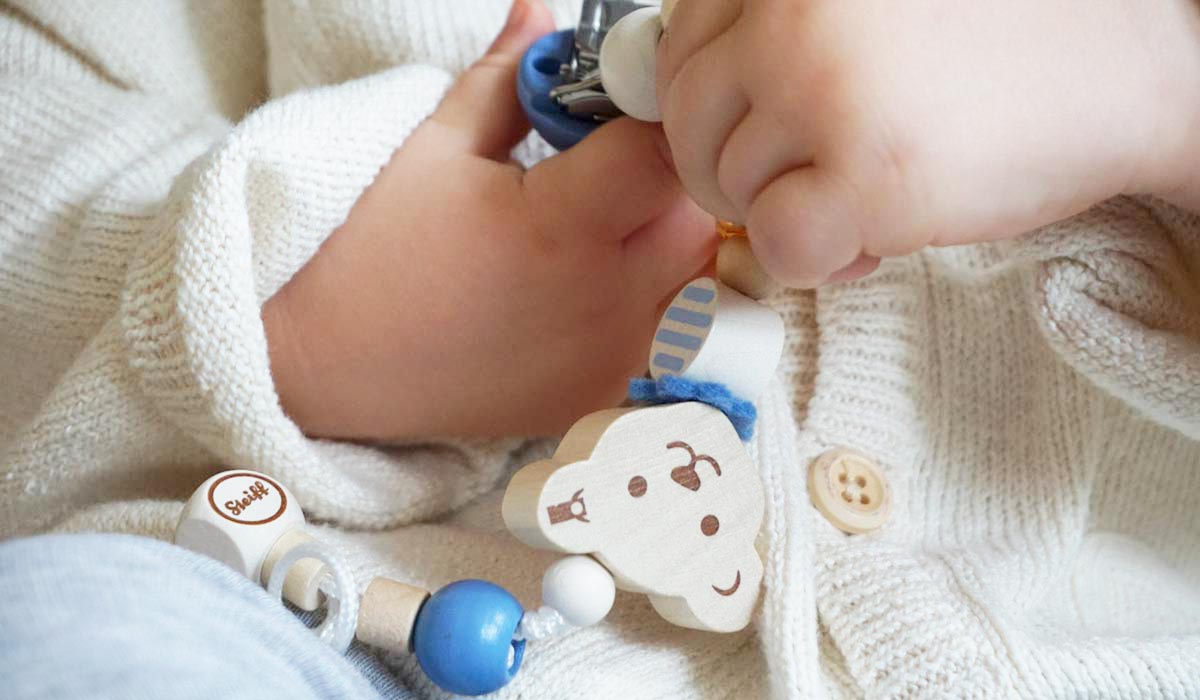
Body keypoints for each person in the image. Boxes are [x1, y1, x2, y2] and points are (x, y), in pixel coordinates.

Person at [2, 0, 1198, 698]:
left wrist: (1156, 81)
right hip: (343, 608)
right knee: (67, 643)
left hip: (1087, 653)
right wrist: (286, 305)